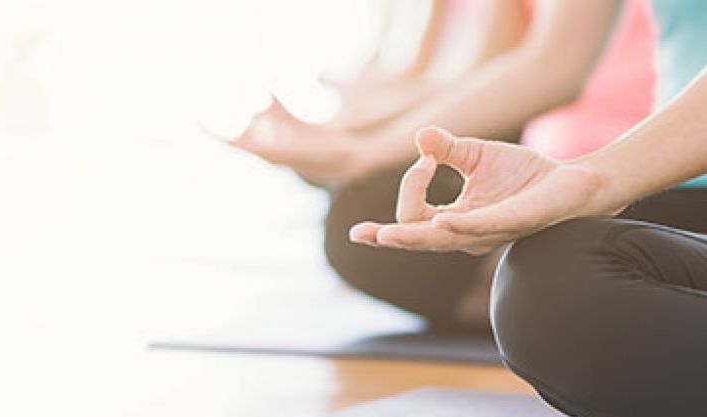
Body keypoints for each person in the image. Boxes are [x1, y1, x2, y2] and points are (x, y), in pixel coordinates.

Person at [349, 1, 707, 417]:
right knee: (554, 285)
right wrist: (586, 180)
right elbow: (538, 58)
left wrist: (360, 150)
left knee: (551, 290)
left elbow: (553, 69)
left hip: (654, 184)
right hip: (663, 179)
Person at [234, 0, 684, 333]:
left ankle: (520, 285)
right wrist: (351, 140)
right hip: (565, 159)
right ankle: (514, 286)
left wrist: (359, 149)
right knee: (370, 217)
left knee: (549, 277)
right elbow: (453, 76)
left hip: (642, 165)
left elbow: (548, 72)